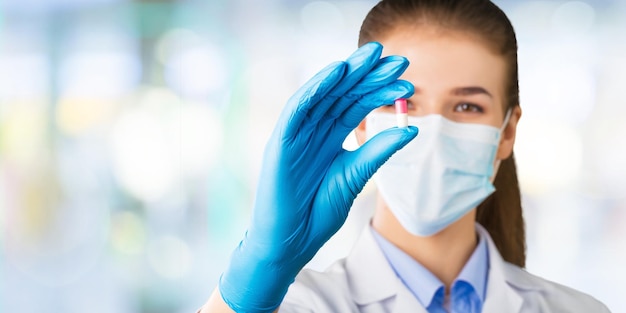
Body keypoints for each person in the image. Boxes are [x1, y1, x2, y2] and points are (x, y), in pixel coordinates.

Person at [201, 0, 611, 312]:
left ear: (507, 132)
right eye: (403, 104)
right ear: (360, 123)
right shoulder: (294, 307)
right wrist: (256, 276)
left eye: (467, 107)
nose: (431, 134)